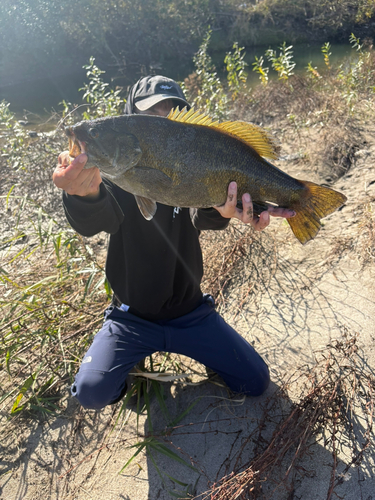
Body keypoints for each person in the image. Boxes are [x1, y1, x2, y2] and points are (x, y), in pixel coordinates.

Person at [53, 75, 295, 410]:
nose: (163, 122)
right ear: (132, 121)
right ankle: (130, 368)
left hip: (190, 312)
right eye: (152, 116)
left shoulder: (192, 163)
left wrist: (229, 211)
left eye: (172, 113)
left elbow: (203, 218)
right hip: (130, 318)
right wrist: (82, 194)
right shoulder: (112, 178)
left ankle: (212, 354)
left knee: (255, 382)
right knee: (92, 392)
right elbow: (96, 221)